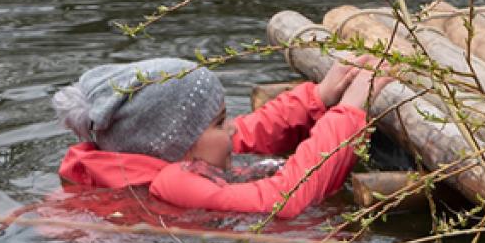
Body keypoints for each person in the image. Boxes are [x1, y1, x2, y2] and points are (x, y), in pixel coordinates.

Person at [53, 55, 393, 219]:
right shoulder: (174, 180)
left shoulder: (165, 155)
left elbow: (242, 134)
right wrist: (348, 113)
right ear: (176, 147)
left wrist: (317, 97)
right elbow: (281, 201)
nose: (232, 128)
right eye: (220, 122)